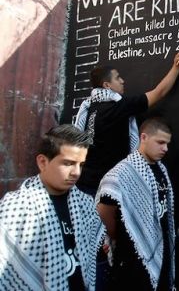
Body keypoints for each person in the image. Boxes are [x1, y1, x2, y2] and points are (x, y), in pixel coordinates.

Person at [0, 124, 105, 291]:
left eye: (81, 164)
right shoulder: (17, 208)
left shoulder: (85, 204)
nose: (76, 172)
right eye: (68, 163)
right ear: (43, 162)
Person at [75, 52, 179, 197]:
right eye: (118, 78)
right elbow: (159, 92)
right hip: (109, 187)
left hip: (84, 183)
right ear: (107, 85)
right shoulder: (118, 107)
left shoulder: (89, 108)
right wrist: (177, 66)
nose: (122, 81)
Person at [96, 117, 176, 290]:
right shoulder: (121, 173)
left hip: (161, 252)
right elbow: (103, 211)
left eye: (167, 144)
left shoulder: (161, 169)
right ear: (144, 138)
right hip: (132, 258)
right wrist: (124, 234)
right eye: (160, 142)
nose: (165, 148)